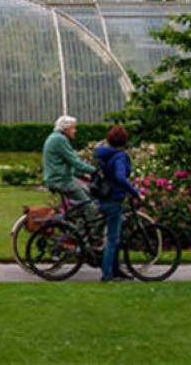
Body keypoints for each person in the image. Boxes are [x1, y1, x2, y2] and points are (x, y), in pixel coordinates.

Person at [42, 115, 104, 248]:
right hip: (61, 181)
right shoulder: (60, 140)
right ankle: (94, 239)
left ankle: (80, 233)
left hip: (60, 178)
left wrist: (83, 175)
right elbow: (74, 161)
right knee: (91, 208)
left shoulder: (55, 138)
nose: (75, 131)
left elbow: (64, 164)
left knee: (91, 196)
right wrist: (96, 171)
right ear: (65, 129)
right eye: (73, 128)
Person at [95, 126, 141, 282]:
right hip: (114, 198)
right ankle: (107, 273)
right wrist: (134, 192)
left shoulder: (104, 154)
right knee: (113, 238)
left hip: (104, 197)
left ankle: (116, 269)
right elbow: (120, 177)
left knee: (115, 236)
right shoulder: (120, 156)